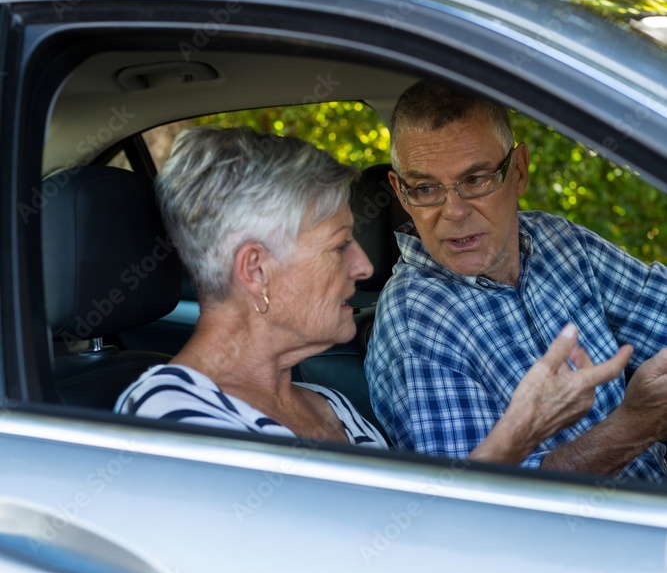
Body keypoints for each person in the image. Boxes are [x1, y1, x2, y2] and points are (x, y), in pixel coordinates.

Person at [115, 126, 630, 464]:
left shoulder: (329, 406)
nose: (363, 267)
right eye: (340, 247)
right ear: (256, 270)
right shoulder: (171, 421)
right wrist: (519, 431)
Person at [365, 79, 667, 480]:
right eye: (425, 188)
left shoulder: (558, 242)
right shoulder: (414, 323)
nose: (453, 211)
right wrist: (635, 425)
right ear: (401, 195)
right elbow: (484, 505)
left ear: (518, 171)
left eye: (475, 180)